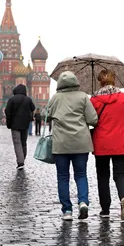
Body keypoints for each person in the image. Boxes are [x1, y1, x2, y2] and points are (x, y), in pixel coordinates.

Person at [45, 71, 98, 221]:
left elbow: (45, 115)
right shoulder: (83, 97)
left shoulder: (55, 98)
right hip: (81, 143)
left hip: (61, 144)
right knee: (81, 175)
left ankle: (67, 211)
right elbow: (93, 119)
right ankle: (83, 202)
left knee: (63, 177)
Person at [90, 69, 124, 221]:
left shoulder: (94, 101)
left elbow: (90, 121)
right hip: (121, 143)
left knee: (102, 176)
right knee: (120, 174)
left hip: (101, 144)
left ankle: (105, 209)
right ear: (114, 81)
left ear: (100, 82)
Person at [5, 84, 35, 170]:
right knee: (23, 142)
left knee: (17, 142)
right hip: (25, 124)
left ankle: (20, 162)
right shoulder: (28, 99)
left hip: (15, 125)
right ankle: (22, 159)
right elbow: (33, 108)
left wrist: (9, 123)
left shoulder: (12, 99)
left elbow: (7, 112)